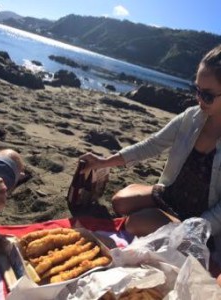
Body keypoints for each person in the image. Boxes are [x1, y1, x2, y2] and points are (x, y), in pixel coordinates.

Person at [80, 44, 221, 264]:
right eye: (196, 89)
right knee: (119, 202)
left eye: (208, 95)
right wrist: (104, 161)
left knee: (133, 223)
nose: (199, 99)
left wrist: (190, 229)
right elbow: (152, 144)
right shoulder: (192, 117)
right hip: (171, 194)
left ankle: (165, 224)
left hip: (200, 221)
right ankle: (158, 215)